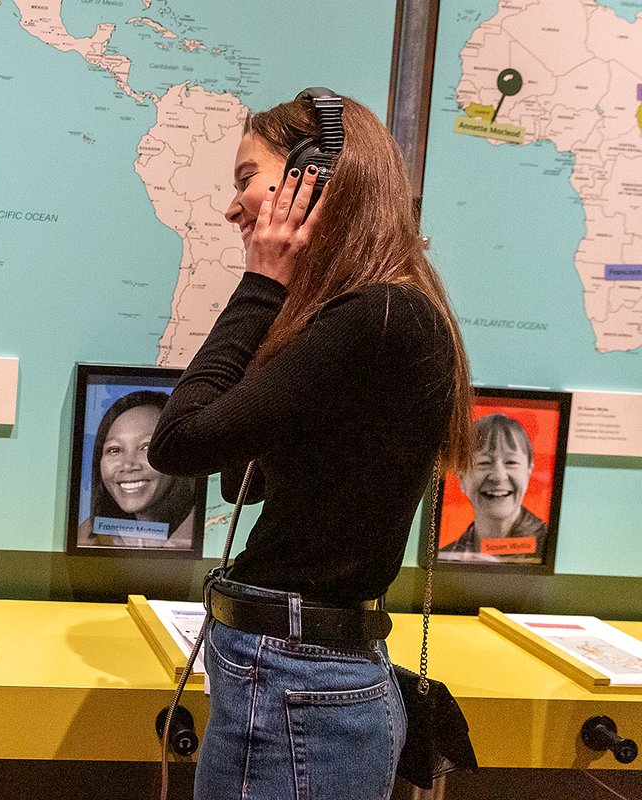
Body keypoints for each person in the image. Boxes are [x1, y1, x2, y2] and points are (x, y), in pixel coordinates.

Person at [149, 89, 473, 800]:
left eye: (247, 178)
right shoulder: (377, 314)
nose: (232, 208)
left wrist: (262, 284)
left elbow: (178, 442)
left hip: (298, 679)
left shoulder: (379, 317)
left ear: (315, 179)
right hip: (295, 674)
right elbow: (244, 479)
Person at [78, 390, 198, 550]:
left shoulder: (204, 530)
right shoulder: (87, 537)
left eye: (146, 447)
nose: (128, 465)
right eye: (114, 450)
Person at [441, 412, 546, 562]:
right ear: (461, 477)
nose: (498, 476)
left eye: (511, 462)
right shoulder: (446, 556)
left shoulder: (547, 547)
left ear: (528, 472)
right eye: (484, 463)